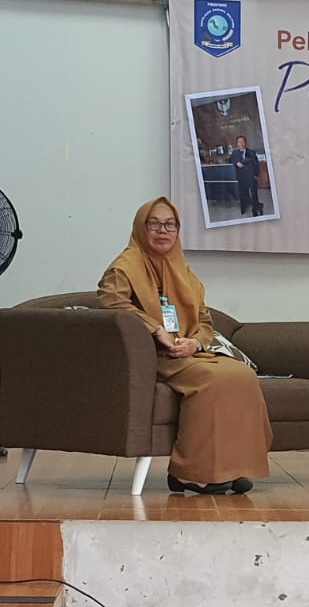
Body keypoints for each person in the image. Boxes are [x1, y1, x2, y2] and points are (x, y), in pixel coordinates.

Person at [97, 196, 272, 493]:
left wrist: (195, 343)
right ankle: (190, 474)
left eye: (170, 225)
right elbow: (111, 303)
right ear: (141, 227)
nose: (162, 231)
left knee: (241, 374)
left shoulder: (183, 270)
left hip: (188, 354)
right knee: (211, 378)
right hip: (153, 357)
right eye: (154, 224)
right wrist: (156, 330)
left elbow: (204, 319)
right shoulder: (124, 267)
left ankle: (230, 468)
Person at [231, 135, 264, 217]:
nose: (241, 144)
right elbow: (231, 159)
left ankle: (255, 210)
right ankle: (243, 209)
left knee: (254, 194)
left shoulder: (252, 152)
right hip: (241, 177)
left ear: (245, 143)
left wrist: (256, 175)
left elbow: (256, 165)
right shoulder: (235, 153)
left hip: (251, 176)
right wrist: (236, 162)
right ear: (237, 143)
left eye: (243, 142)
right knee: (243, 194)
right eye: (239, 142)